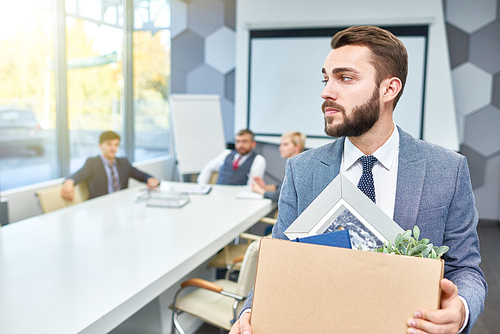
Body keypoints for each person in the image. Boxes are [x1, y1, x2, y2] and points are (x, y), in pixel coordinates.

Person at [230, 26, 486, 334]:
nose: (326, 91)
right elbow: (279, 265)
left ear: (388, 89)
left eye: (345, 78)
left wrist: (461, 311)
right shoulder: (302, 170)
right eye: (326, 78)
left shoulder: (447, 169)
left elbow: (465, 268)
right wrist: (250, 312)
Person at [61, 130, 159, 200]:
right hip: (99, 208)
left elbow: (141, 175)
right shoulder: (93, 163)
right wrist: (69, 182)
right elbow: (79, 174)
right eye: (109, 144)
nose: (113, 148)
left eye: (116, 145)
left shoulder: (123, 163)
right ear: (100, 145)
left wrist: (150, 179)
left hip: (121, 205)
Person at [197, 129, 266, 186]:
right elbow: (208, 167)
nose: (240, 145)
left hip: (238, 197)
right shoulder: (226, 154)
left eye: (244, 142)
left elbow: (252, 185)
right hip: (219, 193)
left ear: (253, 144)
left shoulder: (258, 160)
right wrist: (202, 186)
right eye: (238, 141)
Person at [251, 131, 306, 202]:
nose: (280, 148)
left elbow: (281, 195)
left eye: (285, 145)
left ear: (297, 147)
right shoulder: (295, 164)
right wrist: (265, 187)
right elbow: (281, 187)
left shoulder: (298, 167)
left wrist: (261, 191)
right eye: (281, 145)